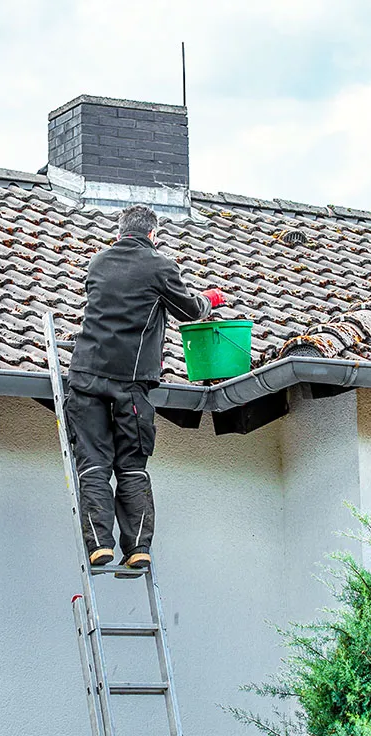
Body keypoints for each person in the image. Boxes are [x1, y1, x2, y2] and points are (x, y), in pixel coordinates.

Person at [65, 204, 226, 572]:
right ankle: (137, 548)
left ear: (120, 231)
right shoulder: (160, 266)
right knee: (131, 466)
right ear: (154, 234)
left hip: (86, 376)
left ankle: (99, 544)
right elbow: (189, 310)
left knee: (92, 463)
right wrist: (210, 299)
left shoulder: (98, 264)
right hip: (131, 384)